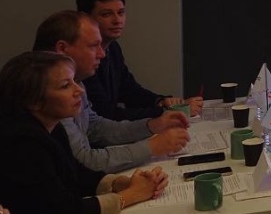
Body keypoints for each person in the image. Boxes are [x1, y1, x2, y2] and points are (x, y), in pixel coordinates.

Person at [0, 51, 169, 214]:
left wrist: (121, 183)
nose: (79, 91)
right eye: (65, 86)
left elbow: (76, 174)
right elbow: (61, 209)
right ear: (33, 101)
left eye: (74, 81)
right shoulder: (21, 143)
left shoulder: (53, 127)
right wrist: (132, 195)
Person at [33, 10, 191, 173]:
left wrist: (152, 125)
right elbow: (84, 162)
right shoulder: (48, 93)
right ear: (62, 49)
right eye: (93, 46)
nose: (102, 54)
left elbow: (95, 127)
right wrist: (152, 146)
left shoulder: (76, 80)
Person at [76, 0, 203, 120]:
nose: (117, 20)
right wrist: (166, 112)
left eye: (121, 13)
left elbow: (129, 90)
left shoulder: (113, 47)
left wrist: (161, 101)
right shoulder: (81, 57)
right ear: (85, 18)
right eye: (106, 14)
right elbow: (105, 113)